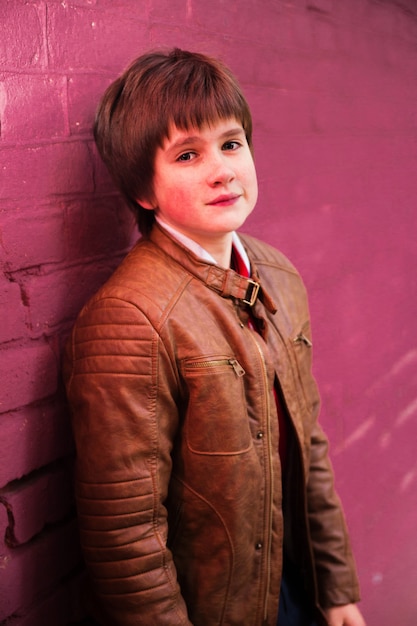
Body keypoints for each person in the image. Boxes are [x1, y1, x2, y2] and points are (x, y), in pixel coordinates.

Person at [63, 49, 367, 626]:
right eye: (186, 154)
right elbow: (127, 539)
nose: (224, 169)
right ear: (143, 192)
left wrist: (336, 587)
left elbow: (308, 447)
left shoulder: (276, 274)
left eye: (232, 144)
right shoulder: (130, 317)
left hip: (294, 584)